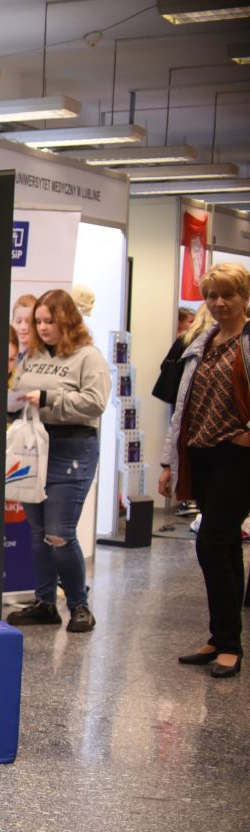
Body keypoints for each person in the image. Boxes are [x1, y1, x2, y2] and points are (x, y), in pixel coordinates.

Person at [158, 262, 250, 679]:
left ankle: (229, 644)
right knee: (225, 546)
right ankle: (222, 636)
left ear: (244, 298)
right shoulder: (203, 341)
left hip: (238, 458)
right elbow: (182, 407)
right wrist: (168, 462)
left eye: (228, 294)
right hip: (202, 454)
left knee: (210, 545)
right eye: (212, 295)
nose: (219, 302)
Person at [6, 288, 110, 633]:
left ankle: (79, 606)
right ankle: (45, 603)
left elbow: (95, 403)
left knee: (59, 534)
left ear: (67, 319)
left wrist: (49, 398)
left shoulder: (88, 357)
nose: (42, 327)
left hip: (72, 450)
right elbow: (19, 390)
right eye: (38, 321)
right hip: (34, 449)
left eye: (49, 321)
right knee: (37, 533)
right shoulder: (32, 356)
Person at [12, 293, 37, 365]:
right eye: (18, 321)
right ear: (12, 322)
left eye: (28, 322)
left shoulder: (40, 355)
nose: (23, 327)